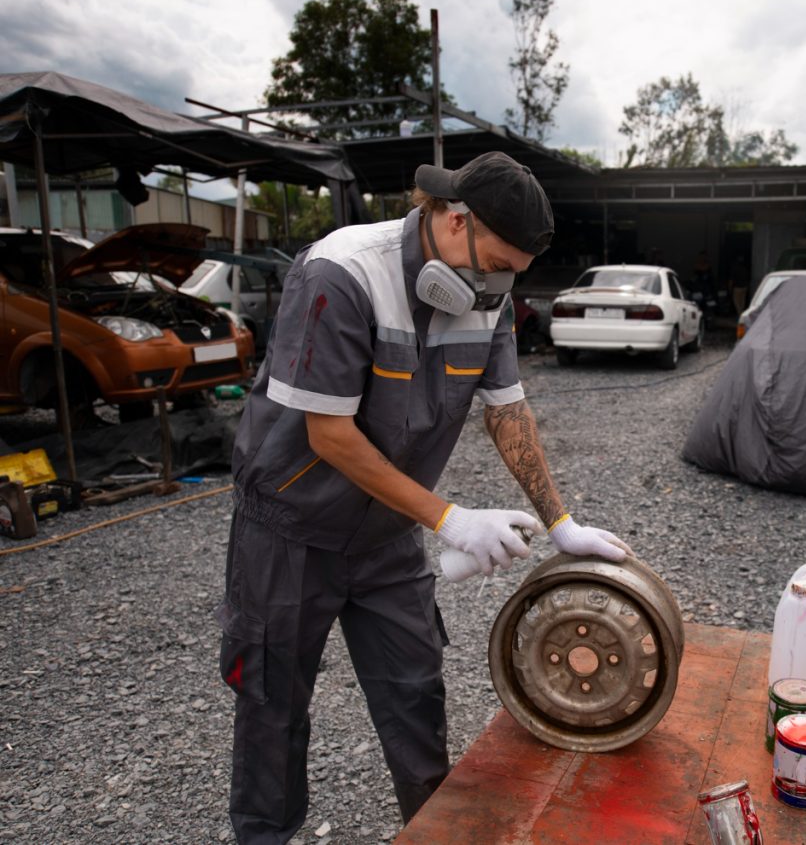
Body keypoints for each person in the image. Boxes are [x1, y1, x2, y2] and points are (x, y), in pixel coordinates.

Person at [216, 151, 631, 844]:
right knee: (272, 705)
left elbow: (507, 411)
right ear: (453, 218)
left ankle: (432, 833)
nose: (499, 283)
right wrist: (450, 517)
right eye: (495, 260)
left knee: (414, 693)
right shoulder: (342, 273)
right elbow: (330, 436)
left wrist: (562, 521)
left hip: (385, 536)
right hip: (289, 531)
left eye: (512, 273)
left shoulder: (487, 294)